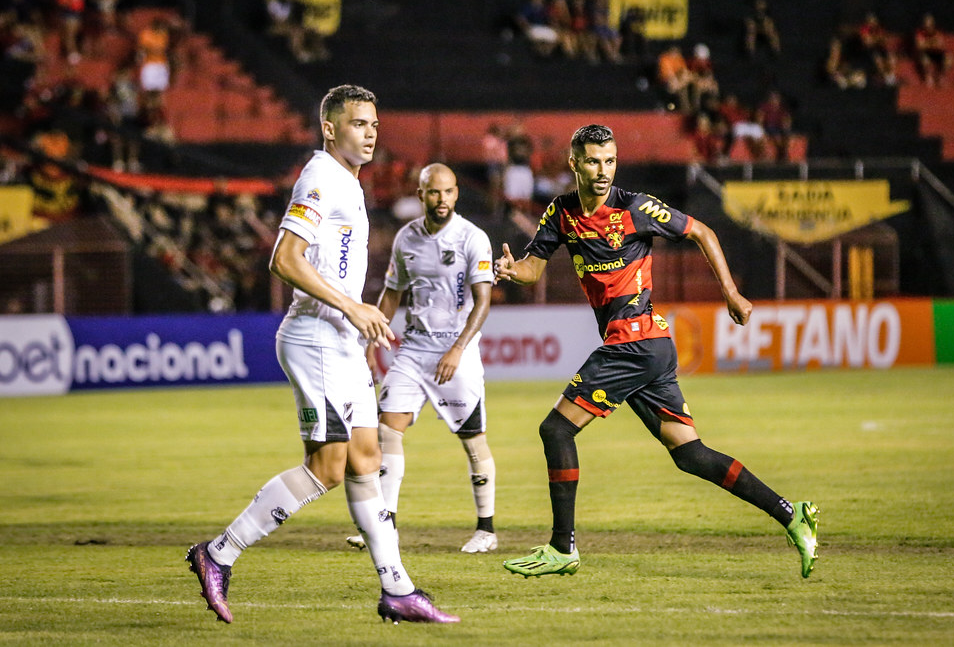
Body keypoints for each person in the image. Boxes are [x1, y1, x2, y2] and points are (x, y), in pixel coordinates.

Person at [493, 124, 818, 580]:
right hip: (645, 348)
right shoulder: (562, 213)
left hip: (635, 341)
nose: (602, 170)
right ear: (574, 164)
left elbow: (702, 231)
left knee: (555, 430)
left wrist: (730, 292)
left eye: (609, 160)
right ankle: (790, 512)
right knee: (689, 454)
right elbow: (532, 269)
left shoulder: (636, 208)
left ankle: (561, 547)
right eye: (592, 161)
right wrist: (511, 269)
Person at [185, 85, 459, 625]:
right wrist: (352, 307)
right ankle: (218, 554)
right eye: (359, 123)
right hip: (315, 338)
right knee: (330, 466)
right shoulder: (320, 177)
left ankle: (398, 590)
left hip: (341, 342)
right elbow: (284, 258)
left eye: (374, 124)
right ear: (330, 128)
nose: (371, 132)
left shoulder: (348, 183)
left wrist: (354, 319)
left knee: (366, 462)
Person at [345, 162, 498, 555]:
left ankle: (487, 529)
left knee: (473, 440)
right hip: (413, 349)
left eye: (448, 192)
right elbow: (392, 294)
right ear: (421, 195)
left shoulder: (472, 238)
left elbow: (483, 300)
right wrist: (370, 343)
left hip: (455, 352)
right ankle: (385, 525)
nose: (441, 199)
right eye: (434, 192)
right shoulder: (406, 238)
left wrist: (459, 348)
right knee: (387, 429)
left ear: (457, 194)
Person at [914, 13, 952, 88]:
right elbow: (920, 46)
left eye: (929, 23)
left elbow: (940, 44)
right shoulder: (919, 32)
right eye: (926, 23)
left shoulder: (938, 31)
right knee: (925, 60)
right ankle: (928, 76)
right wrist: (932, 43)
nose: (928, 26)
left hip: (937, 53)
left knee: (949, 59)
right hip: (925, 53)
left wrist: (927, 43)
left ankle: (941, 76)